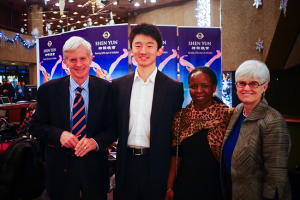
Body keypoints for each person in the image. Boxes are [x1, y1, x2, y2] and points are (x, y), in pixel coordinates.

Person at [29, 36, 116, 200]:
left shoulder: (107, 89)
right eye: (73, 59)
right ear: (65, 62)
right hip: (60, 169)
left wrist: (95, 142)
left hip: (95, 168)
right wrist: (59, 135)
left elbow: (113, 128)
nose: (78, 64)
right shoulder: (48, 90)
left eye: (83, 58)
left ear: (91, 59)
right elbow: (35, 126)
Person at [112, 23, 184, 200]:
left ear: (159, 50)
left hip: (156, 164)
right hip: (125, 163)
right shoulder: (118, 85)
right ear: (131, 50)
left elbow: (175, 133)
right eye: (138, 45)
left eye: (150, 45)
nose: (143, 50)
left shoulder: (174, 88)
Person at [221, 60, 291, 200]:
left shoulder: (272, 120)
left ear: (264, 87)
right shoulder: (237, 112)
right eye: (242, 83)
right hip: (233, 191)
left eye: (253, 83)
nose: (246, 88)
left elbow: (276, 176)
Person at [164, 67, 234, 200]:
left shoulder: (227, 116)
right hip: (185, 188)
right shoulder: (180, 118)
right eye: (194, 86)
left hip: (216, 188)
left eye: (204, 86)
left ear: (214, 88)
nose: (199, 91)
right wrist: (169, 187)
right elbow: (176, 156)